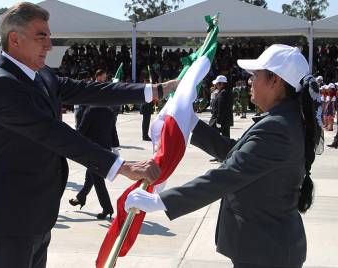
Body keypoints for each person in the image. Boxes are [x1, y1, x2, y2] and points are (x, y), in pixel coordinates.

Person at [0, 3, 178, 268]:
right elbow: (56, 135)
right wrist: (122, 167)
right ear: (15, 39)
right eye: (41, 36)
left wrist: (154, 91)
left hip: (38, 209)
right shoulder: (1, 85)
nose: (50, 45)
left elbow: (92, 91)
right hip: (12, 214)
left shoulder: (40, 75)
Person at [126, 44, 324, 268]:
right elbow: (234, 153)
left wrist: (161, 201)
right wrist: (192, 124)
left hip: (266, 251)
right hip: (265, 246)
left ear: (276, 81)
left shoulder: (277, 127)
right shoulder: (281, 120)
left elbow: (229, 175)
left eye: (255, 75)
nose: (250, 81)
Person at [69, 69, 115, 220]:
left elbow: (82, 130)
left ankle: (107, 208)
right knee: (91, 177)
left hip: (93, 151)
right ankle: (80, 198)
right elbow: (113, 132)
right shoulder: (109, 112)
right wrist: (114, 147)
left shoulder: (91, 110)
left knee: (97, 181)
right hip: (105, 150)